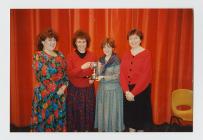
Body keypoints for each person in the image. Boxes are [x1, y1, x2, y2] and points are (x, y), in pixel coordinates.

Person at [31, 28, 69, 132]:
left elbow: (66, 74)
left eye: (54, 40)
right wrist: (57, 90)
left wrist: (64, 86)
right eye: (50, 40)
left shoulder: (60, 54)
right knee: (44, 123)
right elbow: (42, 77)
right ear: (43, 42)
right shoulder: (38, 56)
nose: (53, 42)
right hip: (44, 96)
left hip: (60, 95)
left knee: (58, 122)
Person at [120, 28, 153, 132]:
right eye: (130, 39)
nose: (133, 41)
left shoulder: (146, 53)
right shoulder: (126, 54)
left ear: (140, 39)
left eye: (136, 38)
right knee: (130, 121)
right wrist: (126, 91)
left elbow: (146, 76)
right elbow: (122, 74)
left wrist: (133, 93)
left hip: (141, 91)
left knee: (140, 122)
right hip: (127, 91)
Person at [66, 30, 96, 132]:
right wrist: (82, 67)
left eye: (84, 42)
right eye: (79, 42)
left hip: (88, 88)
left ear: (87, 42)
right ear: (75, 42)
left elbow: (95, 72)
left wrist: (93, 78)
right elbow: (69, 73)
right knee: (75, 113)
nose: (82, 44)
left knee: (88, 112)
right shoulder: (70, 56)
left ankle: (87, 131)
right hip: (74, 89)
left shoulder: (92, 55)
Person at [94, 38, 124, 132]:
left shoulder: (116, 60)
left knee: (112, 112)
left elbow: (117, 76)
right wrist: (95, 74)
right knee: (103, 112)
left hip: (114, 90)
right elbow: (98, 74)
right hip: (102, 90)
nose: (106, 49)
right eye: (104, 47)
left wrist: (103, 77)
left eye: (109, 47)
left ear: (113, 48)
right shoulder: (101, 59)